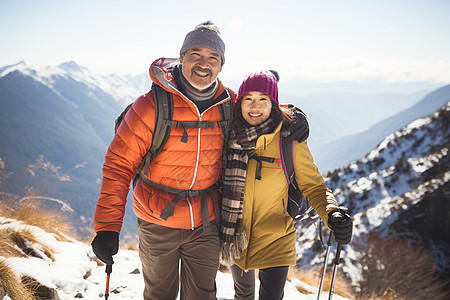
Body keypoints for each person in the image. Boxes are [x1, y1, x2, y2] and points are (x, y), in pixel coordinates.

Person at [91, 21, 236, 300]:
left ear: (221, 66)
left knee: (203, 296)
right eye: (195, 54)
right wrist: (107, 228)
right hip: (157, 220)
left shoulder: (230, 103)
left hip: (205, 222)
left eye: (213, 57)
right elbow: (119, 166)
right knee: (160, 295)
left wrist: (292, 115)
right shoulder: (152, 104)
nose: (203, 63)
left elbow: (262, 110)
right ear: (181, 58)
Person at [220, 70, 353, 300]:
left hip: (276, 238)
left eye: (263, 99)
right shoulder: (227, 135)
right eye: (248, 99)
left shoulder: (289, 140)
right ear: (238, 103)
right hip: (235, 238)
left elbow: (314, 187)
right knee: (243, 295)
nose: (255, 106)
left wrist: (332, 213)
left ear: (274, 104)